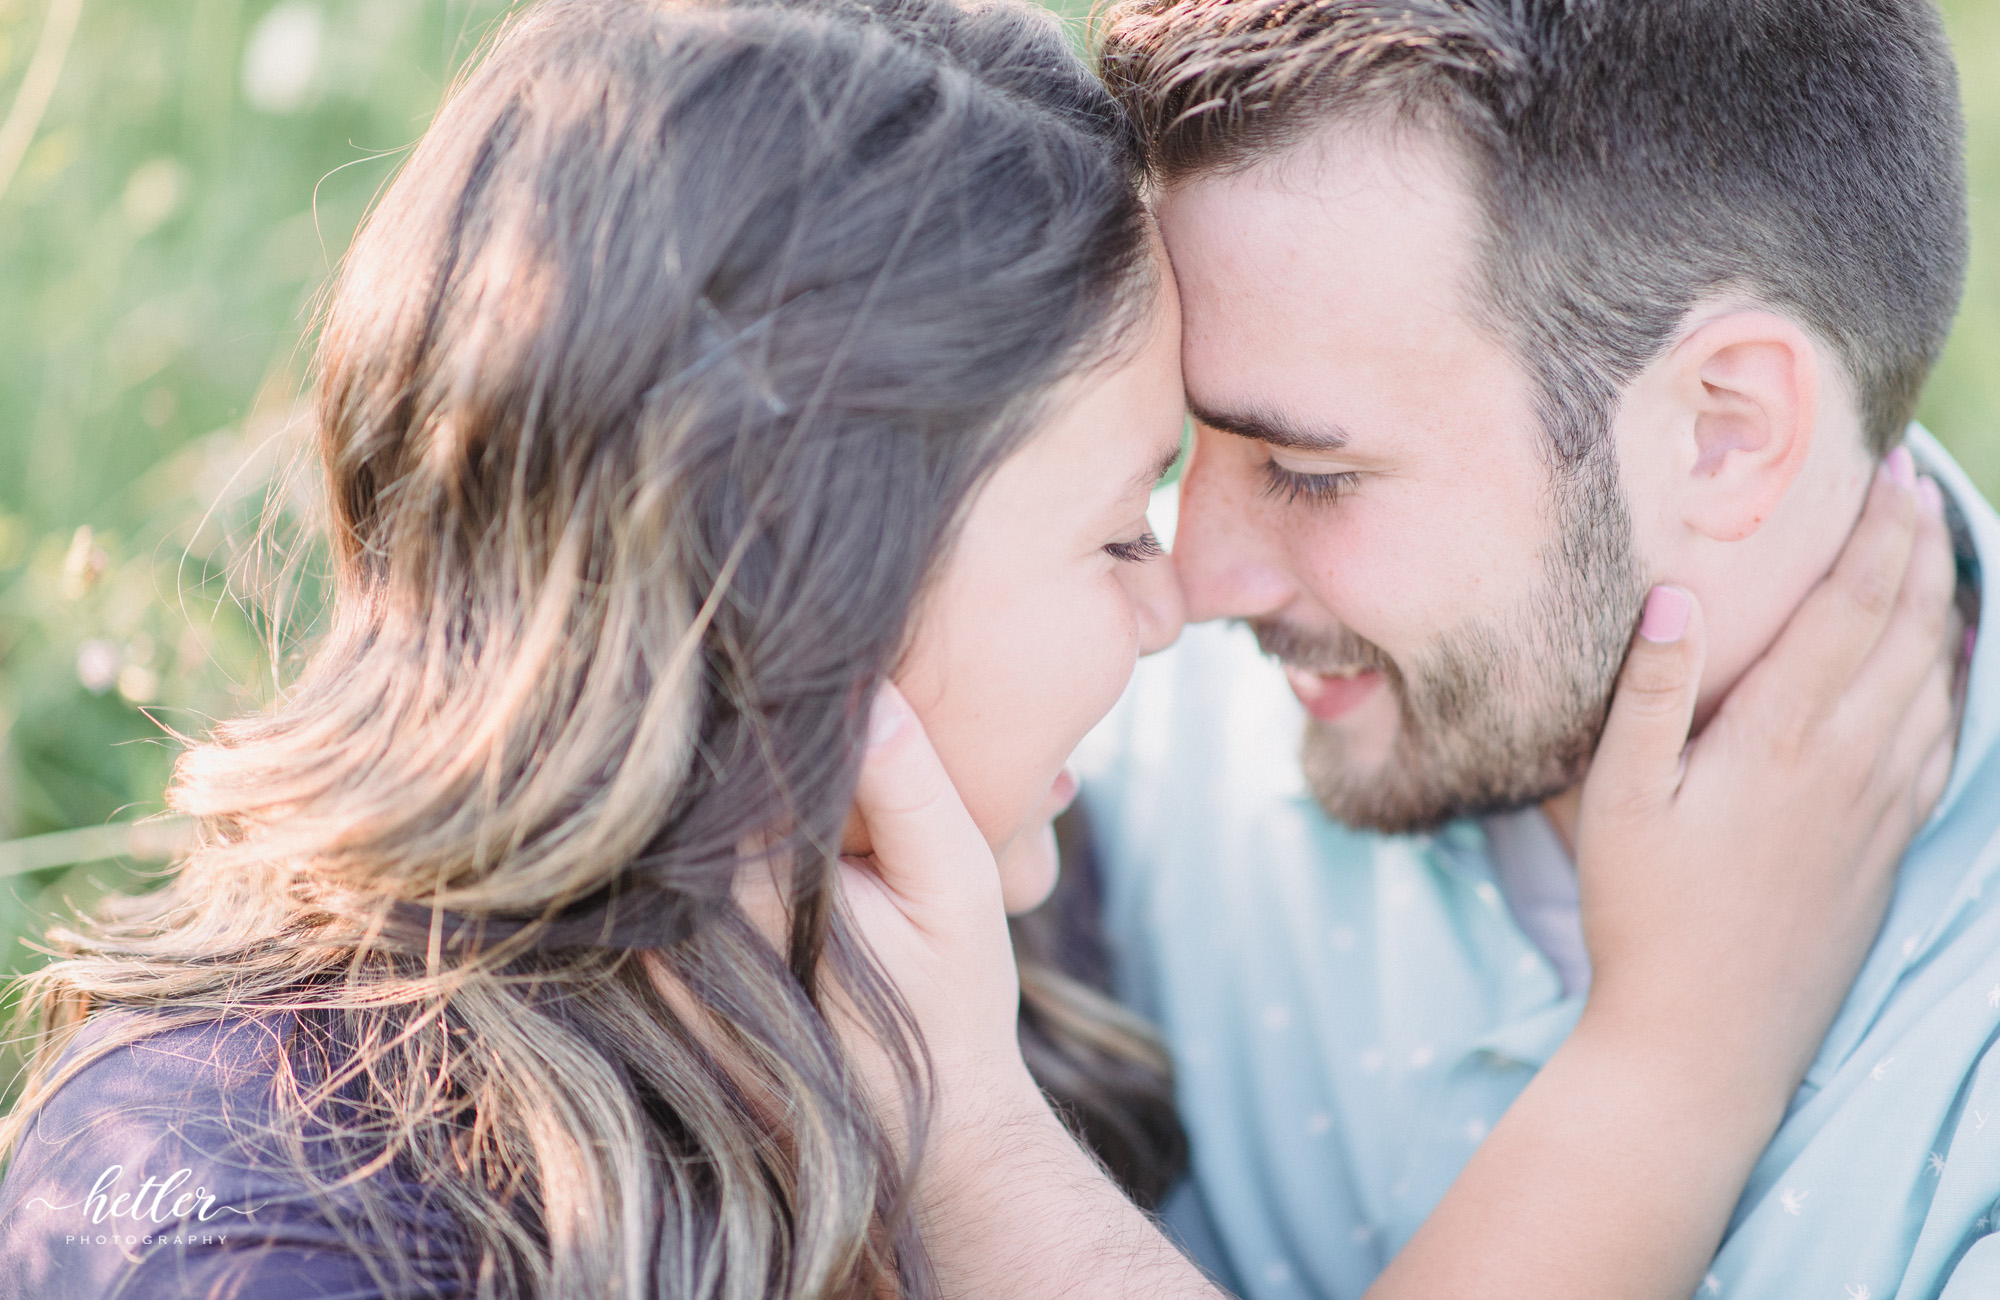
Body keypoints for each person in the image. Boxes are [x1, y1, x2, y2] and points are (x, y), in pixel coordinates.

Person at [0, 2, 1957, 1300]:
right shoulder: (247, 1218)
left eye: (1303, 466)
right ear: (801, 575)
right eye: (1123, 518)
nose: (1180, 589)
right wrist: (1673, 1062)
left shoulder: (1030, 953)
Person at [1024, 0, 1990, 1296]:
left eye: (1311, 472)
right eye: (1185, 446)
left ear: (1726, 432)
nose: (1188, 582)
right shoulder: (1082, 733)